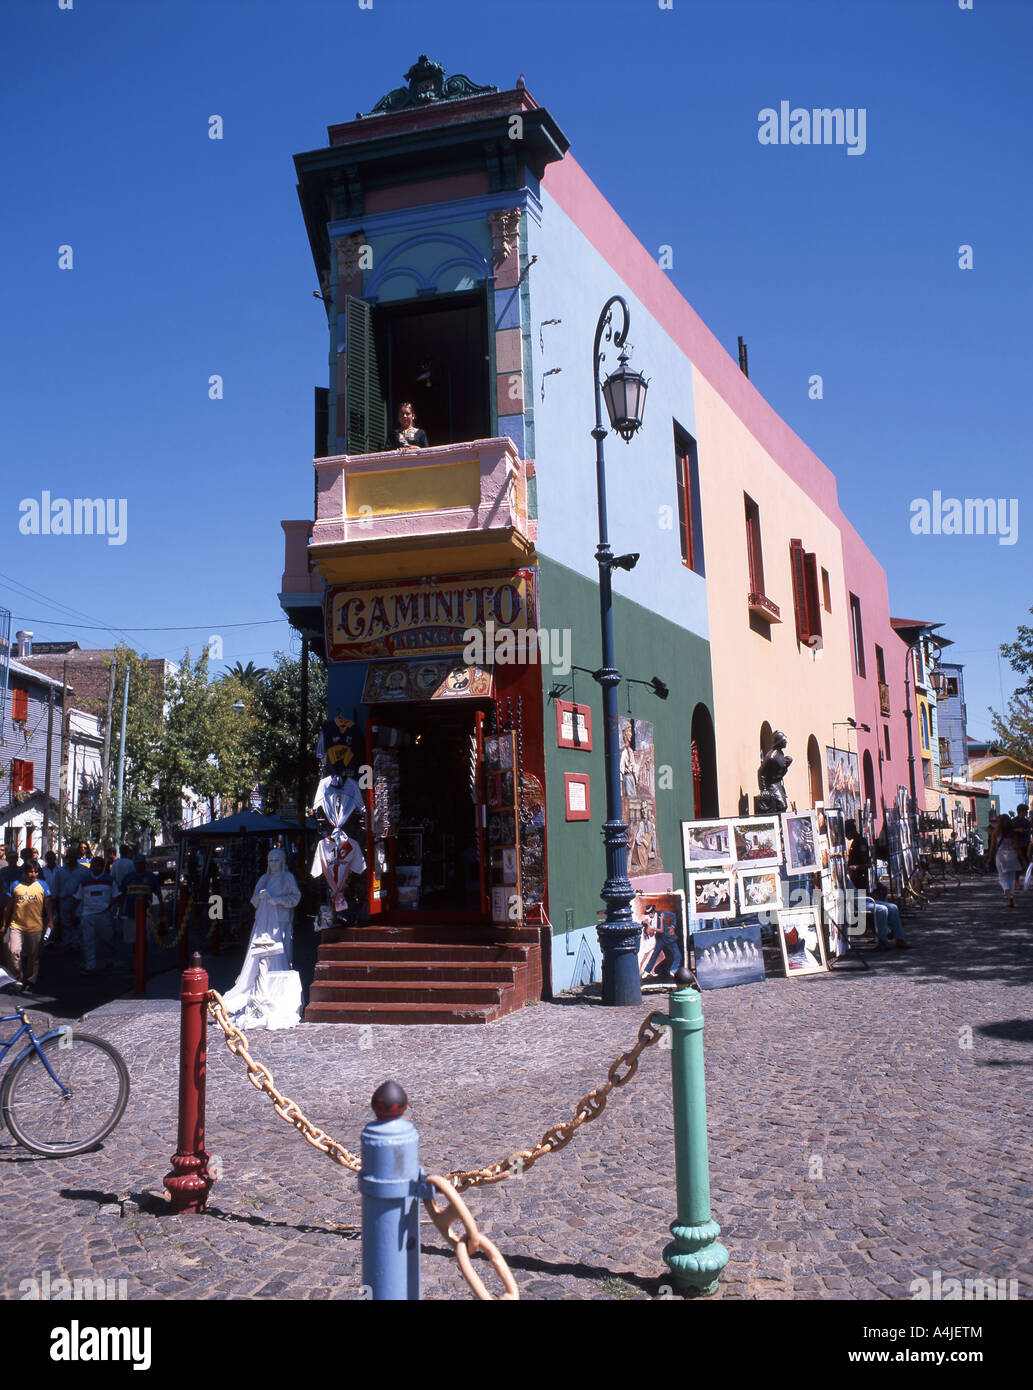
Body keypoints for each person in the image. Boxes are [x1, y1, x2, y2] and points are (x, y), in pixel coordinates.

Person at [222, 849, 303, 1030]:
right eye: (270, 860)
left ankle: (277, 987)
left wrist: (278, 900)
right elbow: (253, 900)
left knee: (281, 953)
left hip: (280, 923)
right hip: (263, 923)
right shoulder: (263, 879)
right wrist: (260, 897)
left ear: (282, 862)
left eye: (276, 860)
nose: (273, 863)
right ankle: (260, 985)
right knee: (261, 954)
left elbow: (295, 898)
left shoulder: (288, 878)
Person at [1, 860, 54, 994]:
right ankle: (17, 979)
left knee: (33, 956)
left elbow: (48, 905)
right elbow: (8, 907)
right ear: (24, 872)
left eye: (35, 872)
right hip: (16, 925)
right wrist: (3, 924)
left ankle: (30, 981)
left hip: (35, 927)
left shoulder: (43, 885)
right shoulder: (16, 885)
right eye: (30, 871)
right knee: (14, 952)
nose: (33, 874)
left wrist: (51, 921)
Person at [75, 856, 122, 975]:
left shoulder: (110, 880)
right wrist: (74, 912)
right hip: (87, 915)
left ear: (102, 867)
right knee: (88, 941)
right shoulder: (84, 881)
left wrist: (108, 906)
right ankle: (90, 966)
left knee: (107, 939)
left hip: (104, 915)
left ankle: (110, 959)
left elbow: (117, 896)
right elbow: (78, 897)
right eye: (94, 865)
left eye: (98, 865)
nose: (96, 867)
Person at [987, 814, 1022, 908]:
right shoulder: (1012, 832)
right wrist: (1022, 857)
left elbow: (993, 847)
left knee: (1002, 877)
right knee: (1011, 878)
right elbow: (1016, 846)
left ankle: (1008, 895)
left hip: (1000, 855)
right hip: (1012, 854)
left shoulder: (996, 832)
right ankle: (1011, 898)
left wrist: (990, 858)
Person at [642, 903, 682, 978]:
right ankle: (647, 971)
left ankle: (673, 970)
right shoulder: (650, 921)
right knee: (655, 955)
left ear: (653, 912)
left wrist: (672, 926)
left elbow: (673, 916)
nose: (649, 916)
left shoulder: (661, 913)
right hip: (660, 939)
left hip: (669, 937)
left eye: (650, 914)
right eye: (648, 914)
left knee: (678, 955)